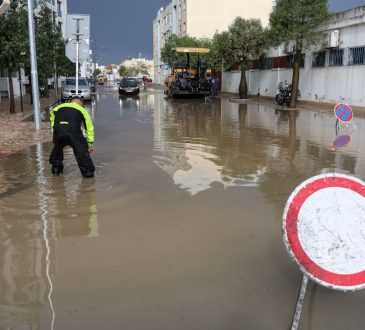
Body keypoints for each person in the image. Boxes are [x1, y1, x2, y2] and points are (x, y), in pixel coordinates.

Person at [49, 97, 95, 178]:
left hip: (58, 132)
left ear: (71, 102)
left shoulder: (57, 108)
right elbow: (89, 127)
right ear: (81, 103)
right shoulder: (82, 110)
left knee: (57, 151)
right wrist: (90, 144)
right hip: (73, 133)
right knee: (82, 154)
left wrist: (55, 133)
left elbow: (52, 120)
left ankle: (56, 171)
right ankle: (88, 176)